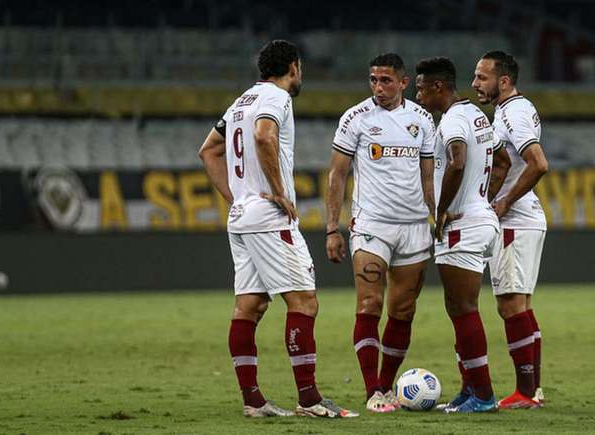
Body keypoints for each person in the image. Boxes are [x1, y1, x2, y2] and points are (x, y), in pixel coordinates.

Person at [198, 39, 357, 418]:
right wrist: (279, 192)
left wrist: (236, 197)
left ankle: (253, 402)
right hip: (269, 219)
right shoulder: (276, 98)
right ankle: (310, 399)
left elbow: (208, 150)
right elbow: (264, 135)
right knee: (304, 302)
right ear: (294, 67)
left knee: (248, 307)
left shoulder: (241, 102)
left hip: (242, 219)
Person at [325, 53, 436, 413]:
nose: (378, 87)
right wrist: (332, 228)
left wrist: (437, 217)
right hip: (372, 226)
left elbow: (428, 175)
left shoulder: (421, 119)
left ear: (403, 83)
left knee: (403, 310)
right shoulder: (355, 118)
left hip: (415, 227)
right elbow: (337, 175)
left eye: (386, 80)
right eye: (373, 80)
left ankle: (387, 387)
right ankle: (373, 390)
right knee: (370, 304)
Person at [414, 56, 511, 413]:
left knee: (464, 309)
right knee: (459, 309)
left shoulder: (453, 120)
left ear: (438, 86)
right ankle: (469, 390)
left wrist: (442, 211)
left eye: (421, 87)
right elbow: (502, 162)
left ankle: (483, 396)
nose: (418, 94)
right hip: (479, 219)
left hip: (462, 225)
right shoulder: (475, 115)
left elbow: (456, 161)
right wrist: (481, 199)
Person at [472, 50, 549, 409]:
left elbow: (538, 163)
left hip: (515, 221)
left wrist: (503, 202)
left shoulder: (514, 113)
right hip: (523, 220)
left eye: (482, 77)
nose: (475, 84)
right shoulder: (509, 111)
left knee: (510, 305)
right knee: (521, 305)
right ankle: (533, 389)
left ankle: (524, 392)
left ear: (504, 81)